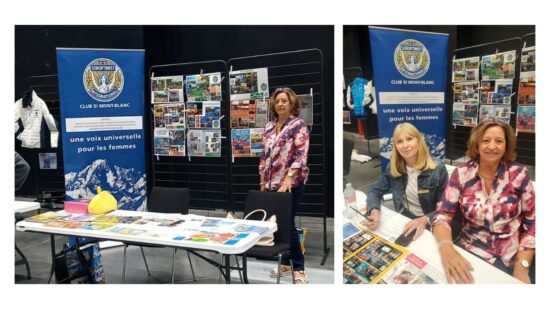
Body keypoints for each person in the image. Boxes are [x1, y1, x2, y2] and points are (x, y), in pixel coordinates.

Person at [432, 120, 535, 284]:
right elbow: (443, 214)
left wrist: (522, 266)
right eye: (486, 140)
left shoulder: (519, 175)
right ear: (477, 144)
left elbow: (533, 222)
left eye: (499, 141)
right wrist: (447, 248)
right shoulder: (461, 173)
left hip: (514, 254)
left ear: (506, 145)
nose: (492, 146)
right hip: (473, 253)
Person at [259, 87, 309, 284]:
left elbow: (301, 154)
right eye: (277, 101)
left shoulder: (298, 125)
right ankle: (286, 263)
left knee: (286, 225)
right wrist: (262, 180)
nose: (280, 104)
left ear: (292, 104)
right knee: (279, 225)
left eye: (284, 101)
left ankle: (299, 267)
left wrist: (289, 178)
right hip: (272, 184)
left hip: (292, 184)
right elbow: (264, 156)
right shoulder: (269, 127)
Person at [364, 123, 448, 241]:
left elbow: (445, 207)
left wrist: (424, 220)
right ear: (396, 146)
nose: (405, 145)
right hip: (404, 218)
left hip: (431, 221)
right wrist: (374, 211)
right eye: (399, 141)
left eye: (409, 139)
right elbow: (375, 191)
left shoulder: (438, 168)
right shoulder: (393, 167)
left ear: (418, 140)